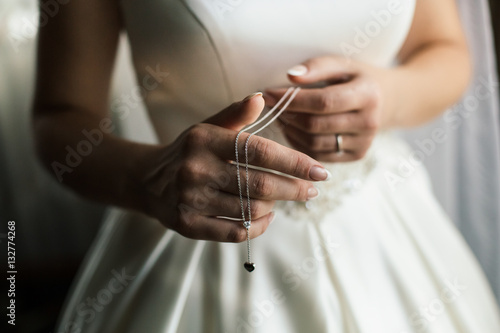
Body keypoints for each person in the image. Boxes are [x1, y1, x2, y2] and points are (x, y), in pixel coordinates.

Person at [33, 0, 500, 332]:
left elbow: (444, 47)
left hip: (385, 229)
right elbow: (58, 118)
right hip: (197, 251)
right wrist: (149, 178)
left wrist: (388, 97)